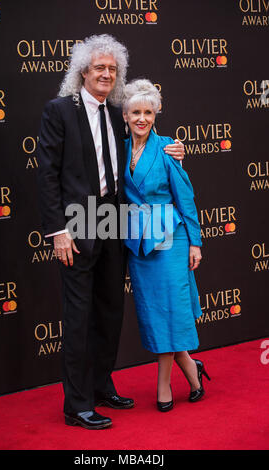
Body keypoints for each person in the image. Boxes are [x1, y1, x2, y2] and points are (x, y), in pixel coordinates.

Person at [37, 35, 186, 429]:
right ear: (82, 71)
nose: (106, 74)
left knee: (109, 311)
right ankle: (77, 404)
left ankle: (102, 386)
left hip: (114, 221)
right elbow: (48, 175)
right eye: (99, 67)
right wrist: (58, 230)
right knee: (78, 316)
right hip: (78, 222)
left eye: (112, 69)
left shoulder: (116, 111)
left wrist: (173, 148)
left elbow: (144, 139)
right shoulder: (59, 111)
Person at [122, 79, 210, 412]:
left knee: (172, 311)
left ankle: (163, 386)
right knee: (156, 313)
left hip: (172, 240)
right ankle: (193, 370)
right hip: (137, 244)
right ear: (126, 115)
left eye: (148, 112)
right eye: (135, 112)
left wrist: (195, 244)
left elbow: (185, 199)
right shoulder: (118, 149)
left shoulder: (168, 148)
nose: (141, 118)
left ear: (156, 113)